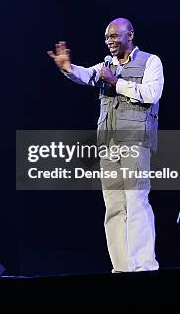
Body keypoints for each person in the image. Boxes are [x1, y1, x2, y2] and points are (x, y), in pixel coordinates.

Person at [47, 18, 164, 272]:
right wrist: (67, 68)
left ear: (130, 34)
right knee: (113, 207)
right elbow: (86, 75)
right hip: (108, 144)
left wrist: (115, 83)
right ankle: (122, 267)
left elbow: (152, 93)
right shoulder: (106, 65)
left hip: (135, 141)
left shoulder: (150, 61)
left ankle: (144, 266)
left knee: (136, 202)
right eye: (106, 38)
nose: (110, 41)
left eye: (114, 36)